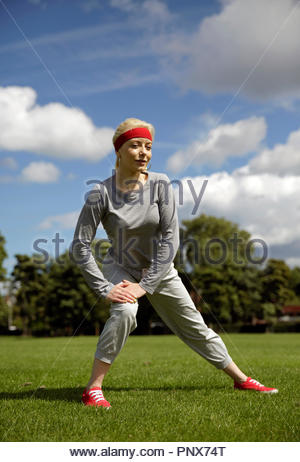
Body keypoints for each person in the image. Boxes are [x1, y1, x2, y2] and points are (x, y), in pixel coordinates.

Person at [71, 117, 278, 408]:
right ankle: (93, 389)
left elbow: (170, 238)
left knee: (195, 327)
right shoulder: (100, 193)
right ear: (118, 151)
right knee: (125, 313)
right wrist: (104, 287)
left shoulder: (160, 183)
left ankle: (240, 378)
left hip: (159, 269)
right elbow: (80, 245)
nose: (144, 152)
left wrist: (146, 285)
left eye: (148, 146)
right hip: (121, 267)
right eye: (135, 146)